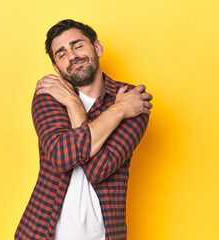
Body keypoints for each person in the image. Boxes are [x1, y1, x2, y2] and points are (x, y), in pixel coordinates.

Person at [15, 19, 153, 240]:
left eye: (77, 45)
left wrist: (77, 106)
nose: (71, 56)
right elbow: (61, 156)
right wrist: (116, 110)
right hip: (42, 232)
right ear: (56, 68)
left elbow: (98, 169)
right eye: (61, 54)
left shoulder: (133, 100)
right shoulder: (50, 96)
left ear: (97, 48)